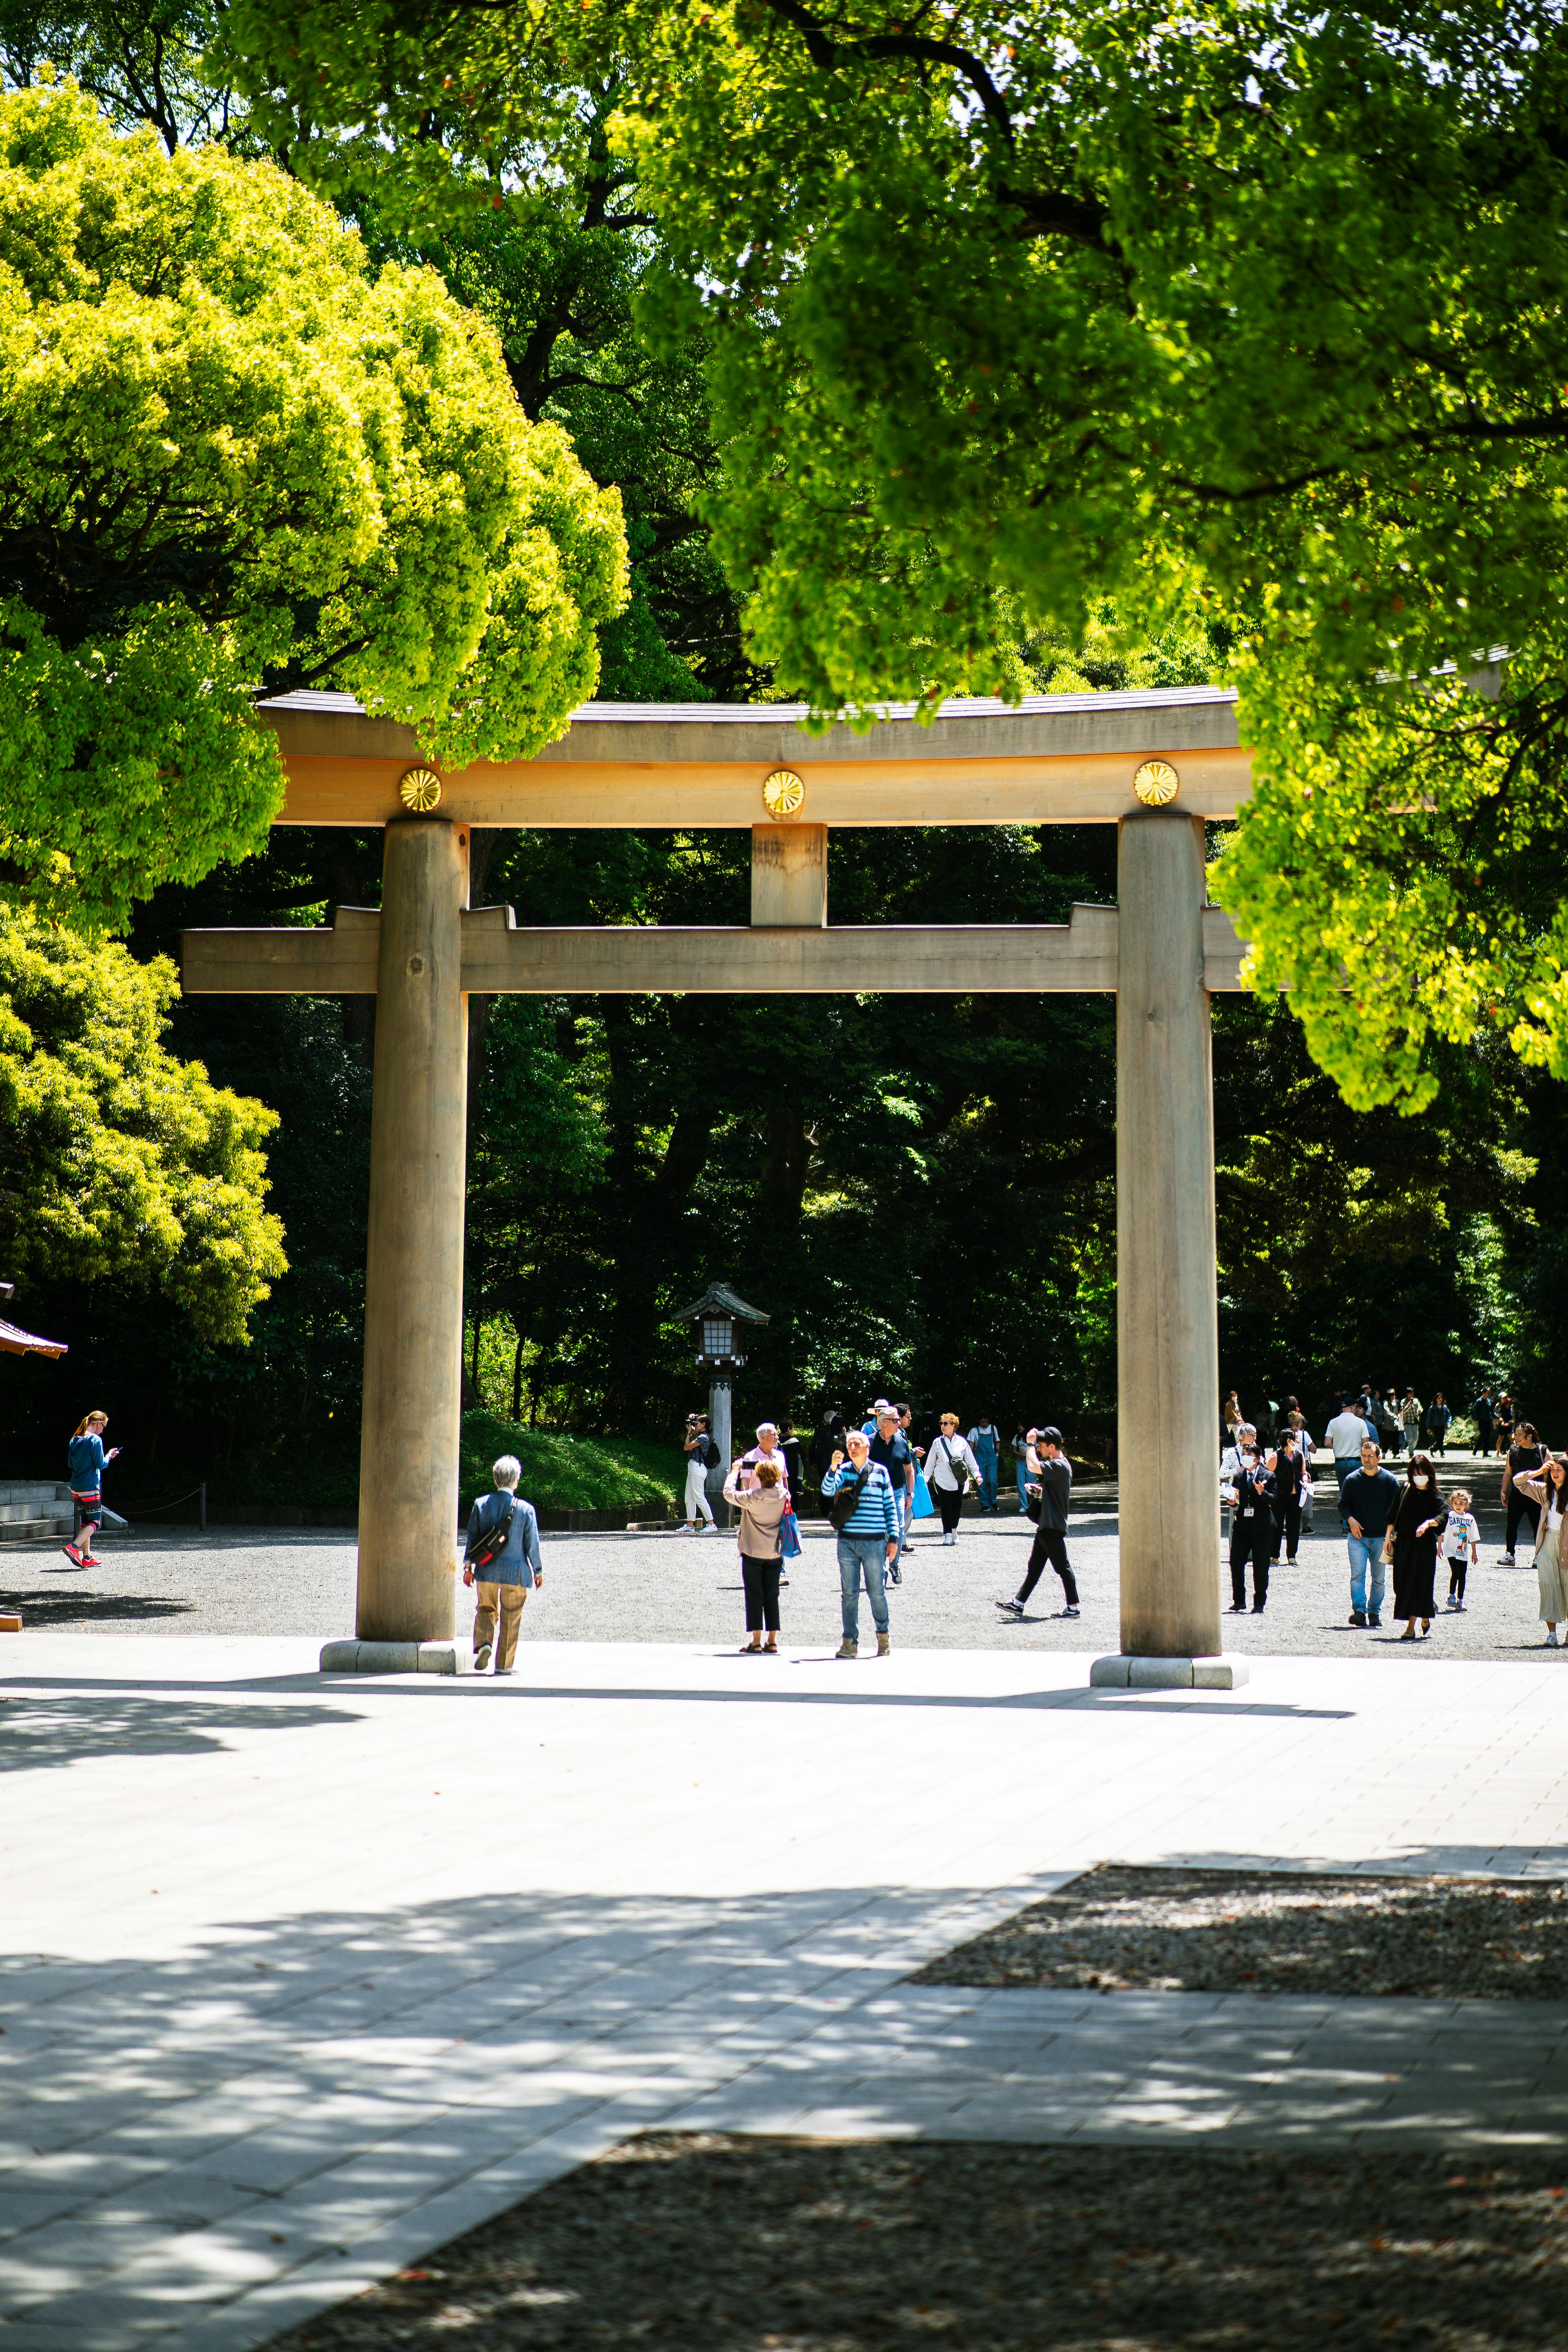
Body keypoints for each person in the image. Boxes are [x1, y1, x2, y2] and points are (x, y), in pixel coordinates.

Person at [820, 1426, 900, 1659]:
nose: (853, 1448)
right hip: (847, 1541)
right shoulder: (843, 1472)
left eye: (857, 1444)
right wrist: (833, 1468)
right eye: (849, 1445)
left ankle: (883, 1637)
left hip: (874, 1543)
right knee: (849, 1594)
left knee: (877, 1592)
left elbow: (890, 1508)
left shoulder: (881, 1473)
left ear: (867, 1447)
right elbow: (827, 1491)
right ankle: (850, 1642)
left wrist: (894, 1539)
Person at [462, 1453, 543, 1676]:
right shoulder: (526, 1510)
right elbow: (532, 1544)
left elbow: (472, 1537)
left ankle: (485, 1644)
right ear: (516, 1480)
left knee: (486, 1609)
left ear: (495, 1479)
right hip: (516, 1573)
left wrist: (468, 1568)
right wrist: (538, 1571)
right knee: (512, 1615)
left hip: (486, 1570)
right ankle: (505, 1665)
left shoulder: (481, 1504)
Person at [996, 1427, 1079, 1619]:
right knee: (1035, 1567)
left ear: (1052, 1446)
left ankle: (1074, 1607)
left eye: (1042, 1445)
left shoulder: (1059, 1465)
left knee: (1063, 1568)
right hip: (1047, 1525)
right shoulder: (1059, 1466)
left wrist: (1031, 1444)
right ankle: (1018, 1604)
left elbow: (1033, 1466)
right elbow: (1055, 1491)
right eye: (1039, 1444)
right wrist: (1040, 1491)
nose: (1040, 1448)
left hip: (1052, 1525)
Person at [723, 1456, 787, 1653]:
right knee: (772, 1595)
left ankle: (756, 1641)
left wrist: (735, 1471)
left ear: (758, 1475)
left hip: (752, 1550)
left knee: (754, 1595)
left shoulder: (752, 1497)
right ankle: (773, 1640)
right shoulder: (784, 1495)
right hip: (775, 1552)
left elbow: (728, 1493)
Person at [1340, 1437, 1402, 1629]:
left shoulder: (1390, 1481)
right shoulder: (1352, 1479)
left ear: (1379, 1457)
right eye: (1363, 1456)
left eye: (1370, 1456)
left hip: (1381, 1538)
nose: (1366, 1460)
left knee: (1379, 1579)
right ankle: (1359, 1611)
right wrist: (1350, 1520)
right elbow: (1343, 1505)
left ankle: (1374, 1612)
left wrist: (1390, 1536)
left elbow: (1397, 1511)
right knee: (1357, 1575)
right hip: (1357, 1537)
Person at [1387, 1451, 1442, 1640]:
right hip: (1404, 1544)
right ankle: (1425, 1613)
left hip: (1425, 1547)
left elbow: (1445, 1514)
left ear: (1430, 1473)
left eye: (1422, 1473)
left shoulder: (1435, 1494)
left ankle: (1410, 1628)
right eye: (1416, 1474)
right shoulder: (1404, 1490)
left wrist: (1429, 1523)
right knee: (1401, 1584)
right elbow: (1392, 1516)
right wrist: (1388, 1539)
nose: (1419, 1477)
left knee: (1419, 1583)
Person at [1515, 1453, 1568, 1646]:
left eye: (1559, 1470)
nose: (1555, 1474)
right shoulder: (1546, 1491)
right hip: (1547, 1542)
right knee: (1548, 1586)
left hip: (1567, 1545)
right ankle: (1552, 1634)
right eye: (1553, 1470)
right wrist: (1539, 1471)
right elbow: (1518, 1481)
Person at [62, 1409, 119, 1569]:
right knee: (95, 1522)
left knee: (85, 1521)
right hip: (90, 1487)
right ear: (99, 1424)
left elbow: (70, 1464)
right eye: (104, 1426)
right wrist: (109, 1455)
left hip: (76, 1487)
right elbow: (102, 1464)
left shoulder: (75, 1439)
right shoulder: (96, 1440)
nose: (103, 1430)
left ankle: (87, 1557)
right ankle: (73, 1548)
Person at [1224, 1435, 1273, 1614]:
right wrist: (1232, 1502)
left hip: (1262, 1528)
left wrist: (1263, 1493)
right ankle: (1239, 1600)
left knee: (1261, 1566)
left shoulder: (1269, 1476)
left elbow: (1275, 1500)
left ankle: (1259, 1602)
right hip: (1242, 1526)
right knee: (1236, 1562)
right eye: (1244, 1453)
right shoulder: (1238, 1476)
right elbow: (1236, 1499)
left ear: (1258, 1458)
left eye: (1249, 1454)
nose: (1245, 1456)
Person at [869, 1406, 913, 1580]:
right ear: (884, 1422)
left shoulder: (902, 1442)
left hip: (897, 1492)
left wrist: (910, 1493)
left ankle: (894, 1565)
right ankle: (881, 1571)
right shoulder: (869, 1442)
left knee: (898, 1529)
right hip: (876, 1493)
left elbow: (909, 1470)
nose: (899, 1423)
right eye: (895, 1420)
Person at [925, 1414, 981, 1545]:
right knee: (946, 1507)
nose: (943, 1426)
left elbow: (970, 1460)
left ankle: (954, 1529)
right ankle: (948, 1534)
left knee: (957, 1508)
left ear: (953, 1426)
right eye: (942, 1424)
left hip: (958, 1481)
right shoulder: (937, 1443)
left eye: (946, 1424)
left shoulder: (962, 1442)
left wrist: (977, 1474)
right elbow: (930, 1463)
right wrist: (925, 1481)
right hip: (941, 1481)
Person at [1501, 1422, 1546, 1566]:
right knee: (1512, 1525)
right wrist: (1503, 1491)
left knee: (1538, 1526)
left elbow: (1549, 1475)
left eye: (1520, 1435)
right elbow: (1508, 1473)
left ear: (1529, 1436)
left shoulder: (1542, 1450)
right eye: (1516, 1434)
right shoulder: (1513, 1450)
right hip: (1517, 1494)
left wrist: (1550, 1495)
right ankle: (1510, 1555)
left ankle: (1539, 1556)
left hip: (1536, 1495)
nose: (1516, 1437)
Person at [1326, 1395, 1375, 1513]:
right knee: (1357, 1492)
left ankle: (1345, 1523)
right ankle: (1356, 1521)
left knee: (1344, 1493)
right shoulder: (1361, 1423)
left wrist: (1338, 1445)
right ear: (1352, 1408)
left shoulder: (1333, 1422)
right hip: (1356, 1461)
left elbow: (1327, 1443)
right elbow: (1366, 1443)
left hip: (1339, 1462)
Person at [1270, 1428, 1307, 1566]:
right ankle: (1274, 1555)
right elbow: (1267, 1475)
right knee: (1277, 1526)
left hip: (1296, 1496)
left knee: (1294, 1526)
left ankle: (1292, 1556)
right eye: (1296, 1438)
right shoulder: (1276, 1456)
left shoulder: (1300, 1455)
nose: (1298, 1441)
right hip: (1279, 1496)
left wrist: (1305, 1479)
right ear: (1288, 1440)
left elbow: (1304, 1472)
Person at [680, 1412, 718, 1535]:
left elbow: (686, 1447)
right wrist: (692, 1420)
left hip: (698, 1468)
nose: (695, 1425)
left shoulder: (703, 1438)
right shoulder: (702, 1435)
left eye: (697, 1424)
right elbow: (695, 1432)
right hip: (694, 1468)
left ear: (704, 1425)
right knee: (689, 1497)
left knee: (699, 1497)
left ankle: (712, 1524)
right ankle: (690, 1525)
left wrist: (689, 1433)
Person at [1442, 1488, 1480, 1610]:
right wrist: (1439, 1547)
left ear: (1466, 1505)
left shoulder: (1470, 1519)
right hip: (1450, 1550)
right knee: (1456, 1572)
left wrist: (1474, 1553)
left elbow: (1473, 1537)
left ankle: (1460, 1600)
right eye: (1456, 1503)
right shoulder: (1449, 1516)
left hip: (1463, 1551)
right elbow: (1442, 1533)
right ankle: (1451, 1596)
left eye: (1461, 1504)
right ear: (1452, 1504)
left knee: (1463, 1575)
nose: (1458, 1506)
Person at [736, 1421, 791, 1495]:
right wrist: (744, 1505)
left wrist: (787, 1501)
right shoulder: (749, 1458)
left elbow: (784, 1479)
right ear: (763, 1437)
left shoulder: (780, 1456)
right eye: (774, 1435)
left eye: (777, 1434)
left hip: (778, 1505)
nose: (777, 1437)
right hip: (758, 1504)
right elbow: (745, 1482)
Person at [967, 1415, 1000, 1513]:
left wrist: (997, 1454)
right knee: (981, 1482)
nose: (985, 1424)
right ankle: (985, 1504)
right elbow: (971, 1445)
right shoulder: (974, 1431)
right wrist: (970, 1458)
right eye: (983, 1423)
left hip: (992, 1458)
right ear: (980, 1422)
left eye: (986, 1422)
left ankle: (993, 1501)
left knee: (993, 1480)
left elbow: (998, 1441)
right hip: (980, 1459)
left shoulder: (993, 1428)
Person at [1011, 1423, 1034, 1515]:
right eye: (1019, 1425)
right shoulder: (1017, 1437)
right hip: (1020, 1462)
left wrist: (1029, 1454)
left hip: (1031, 1462)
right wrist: (1018, 1454)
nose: (1019, 1427)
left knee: (1031, 1484)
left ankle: (1032, 1505)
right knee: (1021, 1484)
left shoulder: (1032, 1437)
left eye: (1021, 1426)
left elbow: (1037, 1449)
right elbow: (1014, 1449)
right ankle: (1024, 1506)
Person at [1425, 1391, 1452, 1458]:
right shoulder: (1433, 1408)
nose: (1440, 1399)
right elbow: (1429, 1418)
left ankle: (1432, 1449)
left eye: (1441, 1398)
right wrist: (1428, 1428)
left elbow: (1449, 1416)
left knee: (1441, 1440)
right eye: (1439, 1398)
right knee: (1439, 1440)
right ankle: (1442, 1453)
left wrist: (1449, 1423)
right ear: (1436, 1399)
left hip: (1442, 1426)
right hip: (1435, 1426)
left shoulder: (1444, 1407)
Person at [1471, 1386, 1496, 1455]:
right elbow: (1475, 1411)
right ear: (1484, 1393)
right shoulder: (1479, 1401)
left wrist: (1497, 1418)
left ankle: (1485, 1453)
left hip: (1488, 1421)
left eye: (1490, 1393)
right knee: (1483, 1435)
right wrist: (1476, 1420)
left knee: (1488, 1437)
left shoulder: (1489, 1402)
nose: (1489, 1394)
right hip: (1481, 1421)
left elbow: (1492, 1412)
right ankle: (1475, 1449)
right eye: (1488, 1393)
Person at [1400, 1388, 1423, 1460]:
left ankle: (1410, 1448)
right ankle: (1411, 1454)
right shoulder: (1404, 1401)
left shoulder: (1416, 1400)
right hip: (1407, 1422)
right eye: (1410, 1393)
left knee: (1416, 1438)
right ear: (1408, 1394)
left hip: (1415, 1422)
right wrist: (1409, 1404)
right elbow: (1403, 1412)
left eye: (1413, 1393)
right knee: (1409, 1439)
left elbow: (1421, 1408)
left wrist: (1420, 1410)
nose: (1412, 1395)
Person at [1493, 1391, 1515, 1458]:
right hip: (1502, 1425)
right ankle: (1498, 1451)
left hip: (1509, 1425)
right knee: (1501, 1438)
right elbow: (1499, 1416)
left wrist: (1512, 1424)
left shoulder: (1511, 1408)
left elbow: (1513, 1417)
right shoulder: (1501, 1408)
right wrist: (1501, 1423)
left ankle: (1515, 1452)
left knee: (1512, 1438)